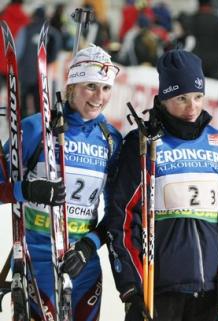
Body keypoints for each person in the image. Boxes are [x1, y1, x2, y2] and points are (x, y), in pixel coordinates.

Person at [106, 49, 218, 321]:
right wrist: (130, 286)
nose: (192, 107)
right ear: (164, 98)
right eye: (181, 98)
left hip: (214, 293)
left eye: (198, 97)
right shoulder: (143, 144)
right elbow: (121, 218)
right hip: (159, 291)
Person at [0, 44, 122, 320]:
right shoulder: (34, 129)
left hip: (83, 265)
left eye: (105, 88)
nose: (99, 97)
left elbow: (117, 213)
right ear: (72, 86)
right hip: (37, 258)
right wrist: (27, 190)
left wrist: (89, 245)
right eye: (90, 86)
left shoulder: (111, 139)